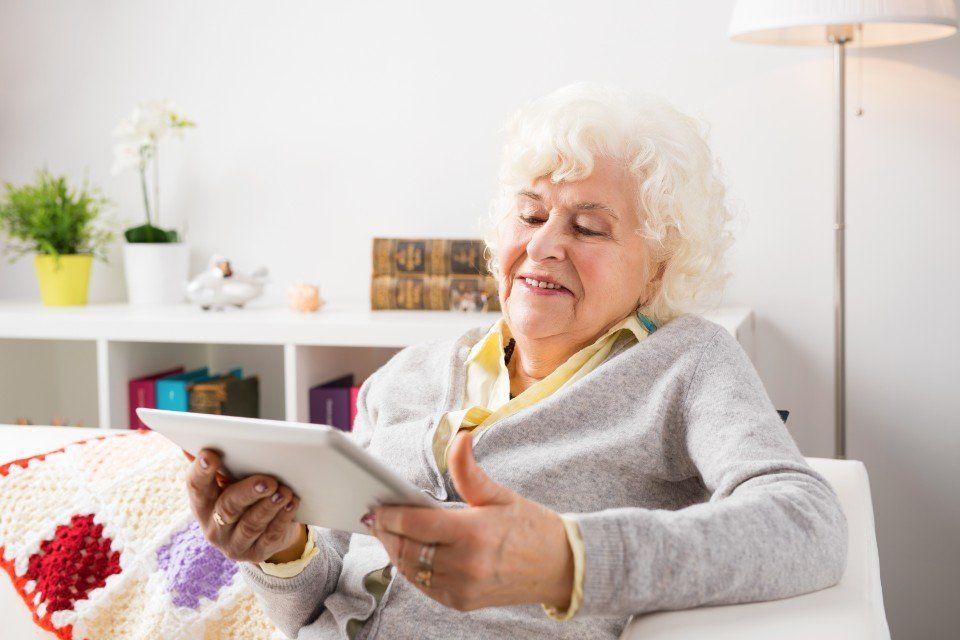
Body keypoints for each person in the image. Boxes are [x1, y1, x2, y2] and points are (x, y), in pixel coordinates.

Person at [186, 83, 847, 640]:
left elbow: (807, 525)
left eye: (588, 227)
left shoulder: (687, 363)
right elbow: (314, 598)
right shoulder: (407, 377)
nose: (545, 246)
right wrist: (277, 550)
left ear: (657, 270)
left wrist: (570, 561)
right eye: (529, 216)